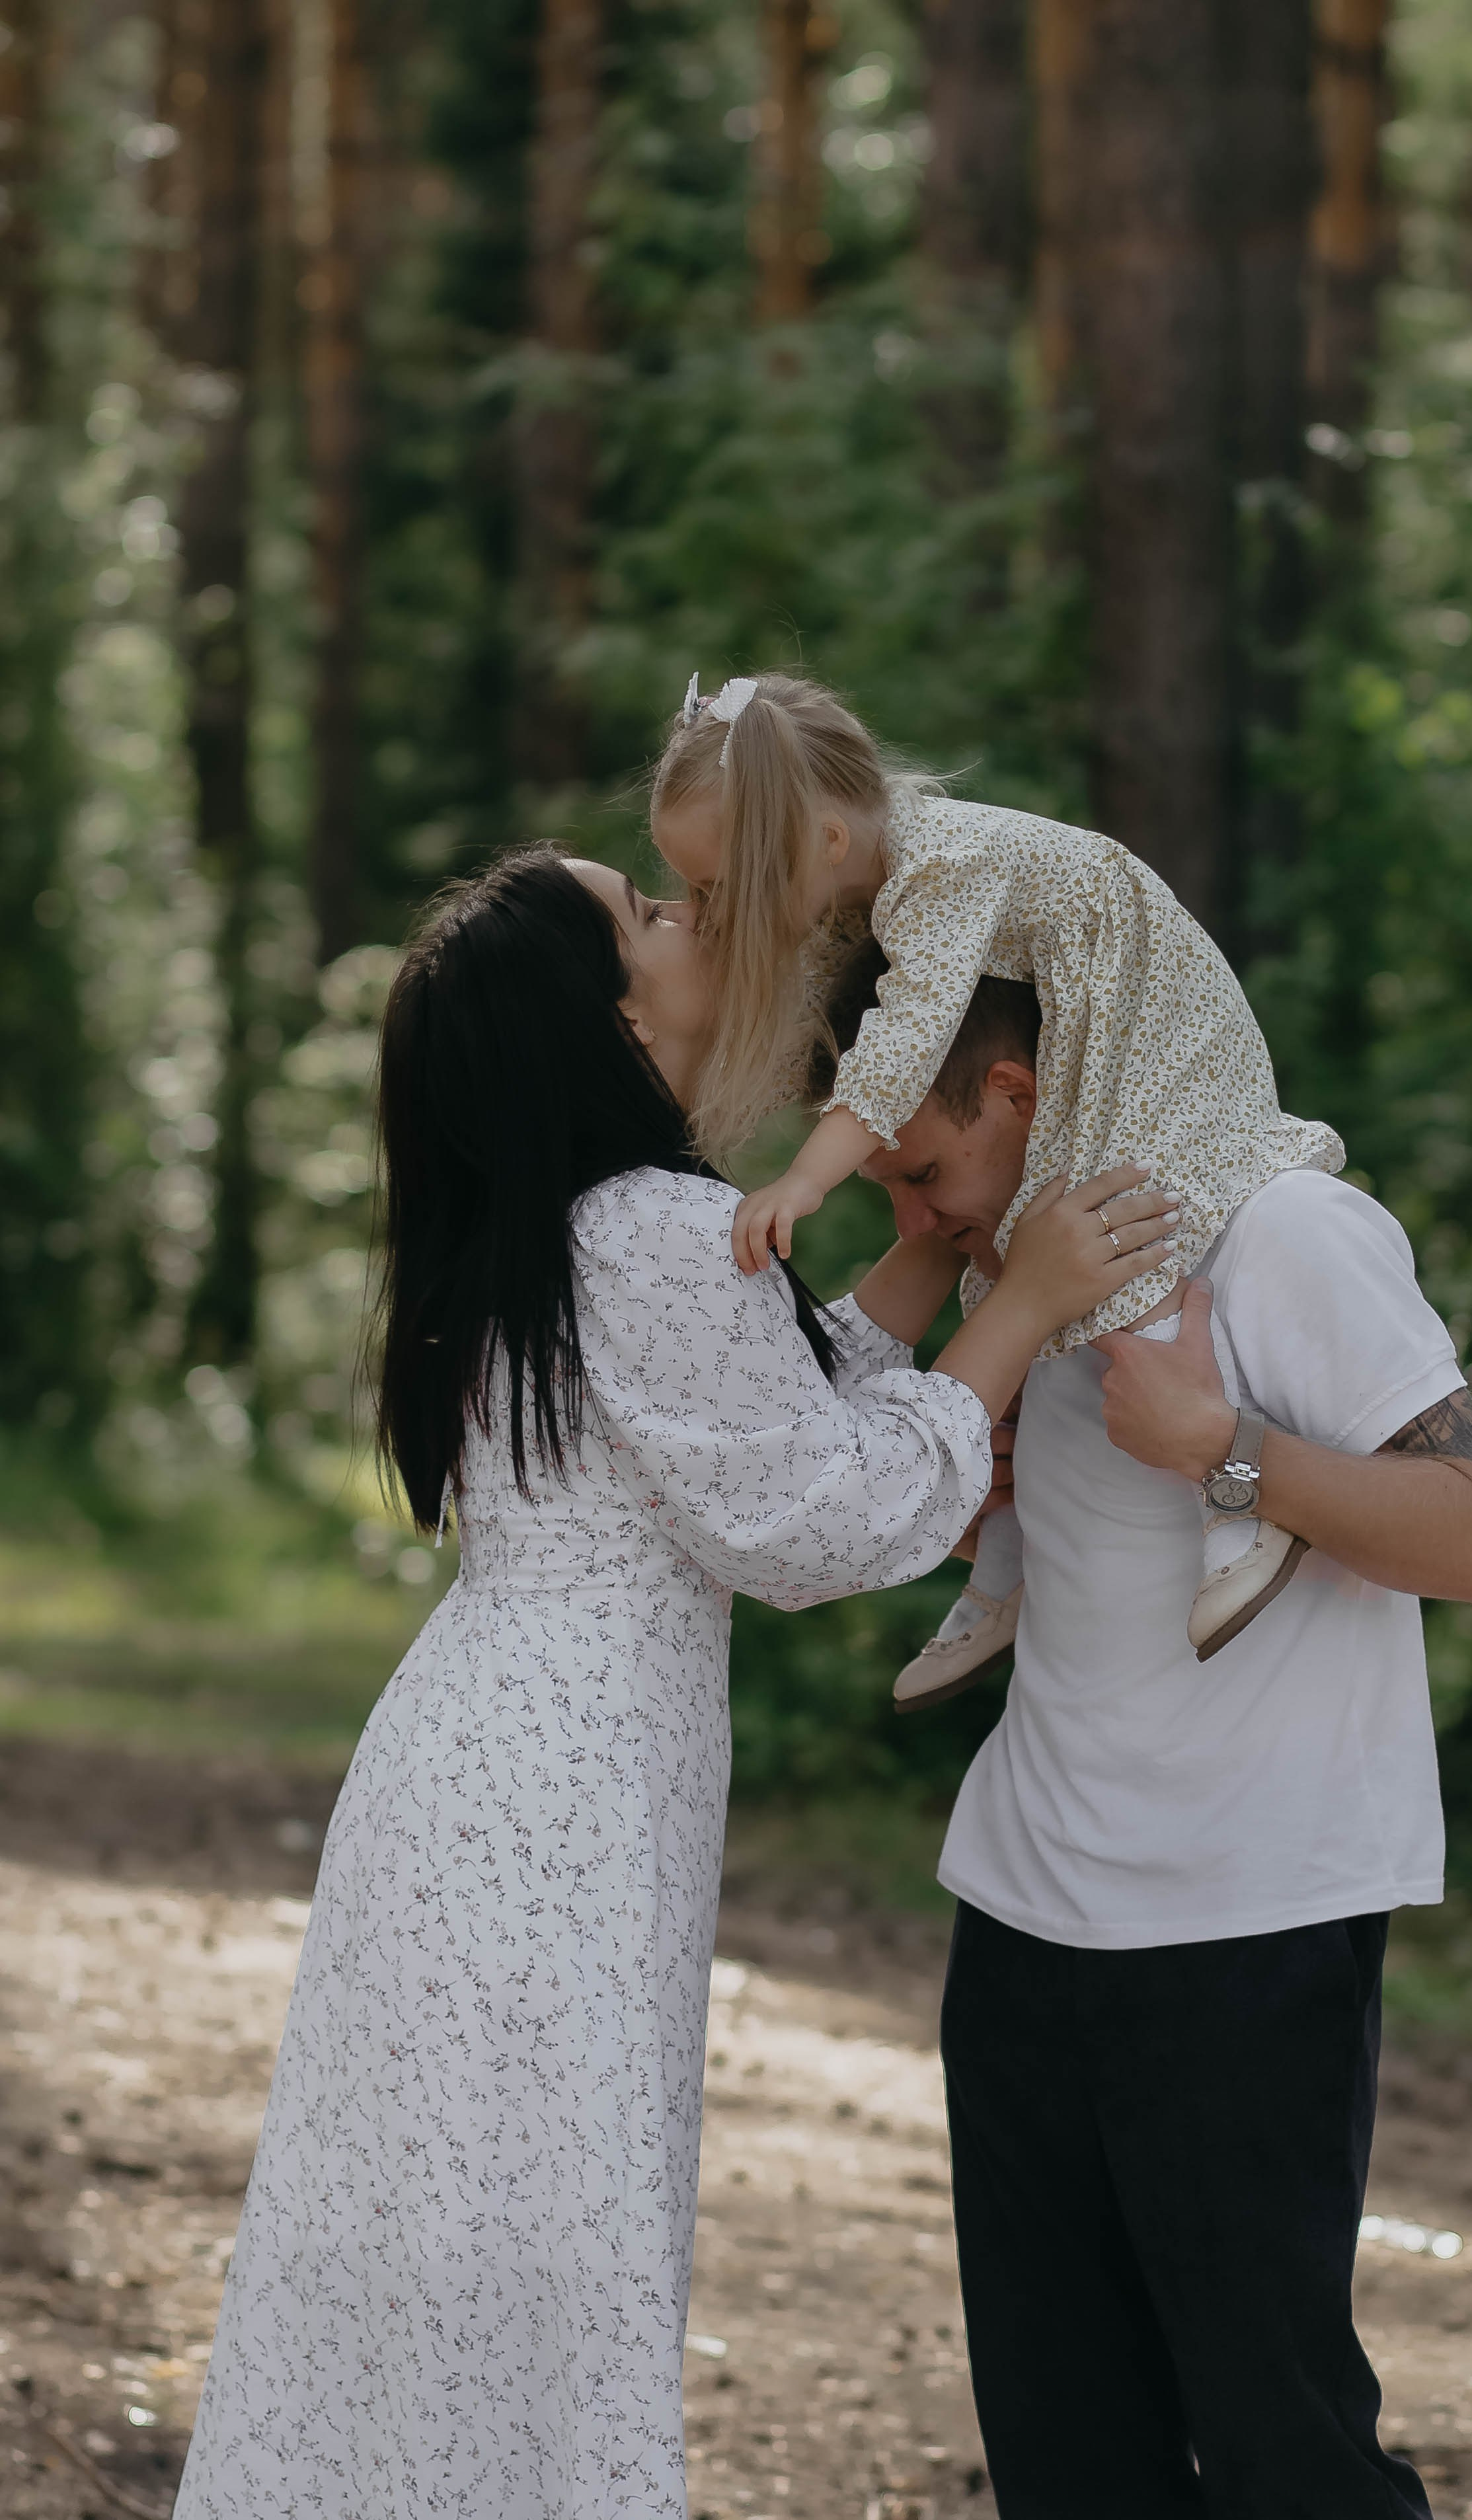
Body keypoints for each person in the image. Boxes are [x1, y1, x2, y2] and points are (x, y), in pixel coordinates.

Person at [170, 847, 1165, 2520]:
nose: (688, 911)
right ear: (615, 1016)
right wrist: (1027, 1309)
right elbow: (815, 1515)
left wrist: (928, 1253)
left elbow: (746, 1406)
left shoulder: (591, 1229)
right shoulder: (651, 1227)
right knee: (538, 2256)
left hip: (488, 1775)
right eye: (645, 909)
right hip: (549, 1806)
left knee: (457, 2258)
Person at [820, 946, 1472, 2519]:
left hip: (1243, 1927)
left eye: (925, 1171)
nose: (920, 1215)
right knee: (1068, 2466)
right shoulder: (1039, 1277)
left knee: (1287, 2463)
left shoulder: (1282, 1231)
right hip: (1017, 1924)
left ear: (1012, 1094)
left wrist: (1224, 1453)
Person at [651, 670, 1344, 1695]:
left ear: (824, 845)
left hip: (1145, 1011)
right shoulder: (864, 883)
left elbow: (906, 1039)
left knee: (1119, 1234)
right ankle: (1010, 1549)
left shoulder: (941, 866)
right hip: (1076, 1024)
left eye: (719, 892)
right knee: (1008, 1263)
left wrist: (805, 1179)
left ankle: (1234, 1510)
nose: (709, 916)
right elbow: (814, 1022)